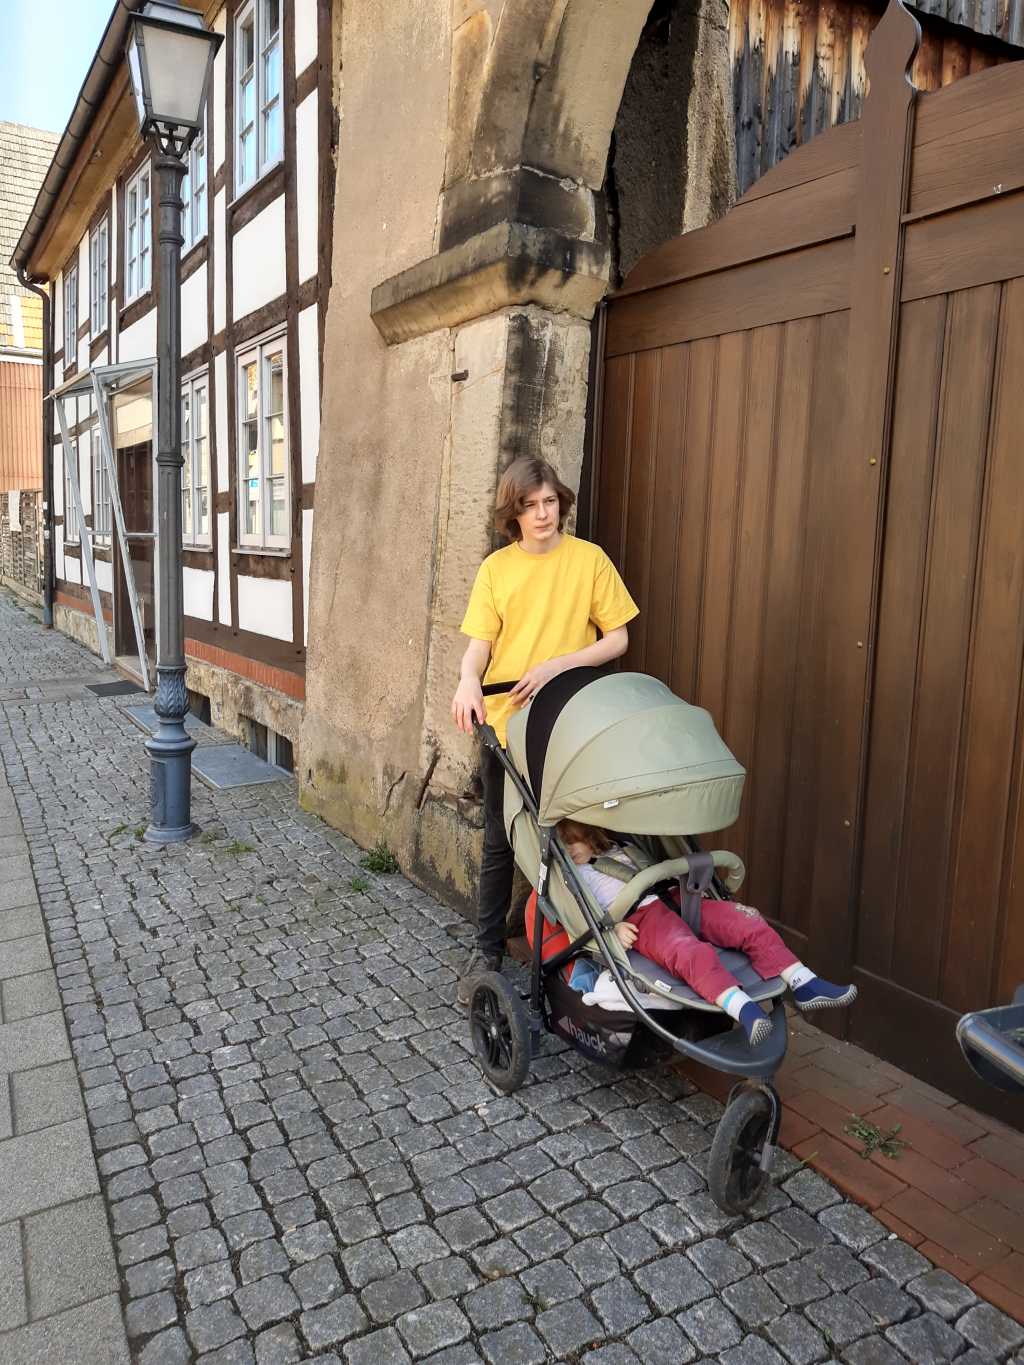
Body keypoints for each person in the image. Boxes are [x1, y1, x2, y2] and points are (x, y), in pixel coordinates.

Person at [451, 457, 639, 1006]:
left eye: (551, 502)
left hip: (573, 722)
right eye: (531, 506)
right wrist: (467, 683)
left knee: (578, 834)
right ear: (515, 513)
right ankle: (486, 948)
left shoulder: (589, 561)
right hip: (509, 725)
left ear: (562, 502)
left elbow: (618, 637)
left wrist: (557, 665)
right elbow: (478, 650)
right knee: (501, 839)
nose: (544, 514)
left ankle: (578, 935)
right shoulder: (497, 570)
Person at [558, 819, 857, 1046]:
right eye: (563, 845)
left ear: (591, 836)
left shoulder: (625, 847)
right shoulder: (576, 875)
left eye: (573, 841)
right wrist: (612, 928)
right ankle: (744, 1009)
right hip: (640, 916)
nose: (569, 850)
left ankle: (804, 981)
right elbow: (580, 914)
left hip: (677, 896)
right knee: (687, 951)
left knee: (745, 920)